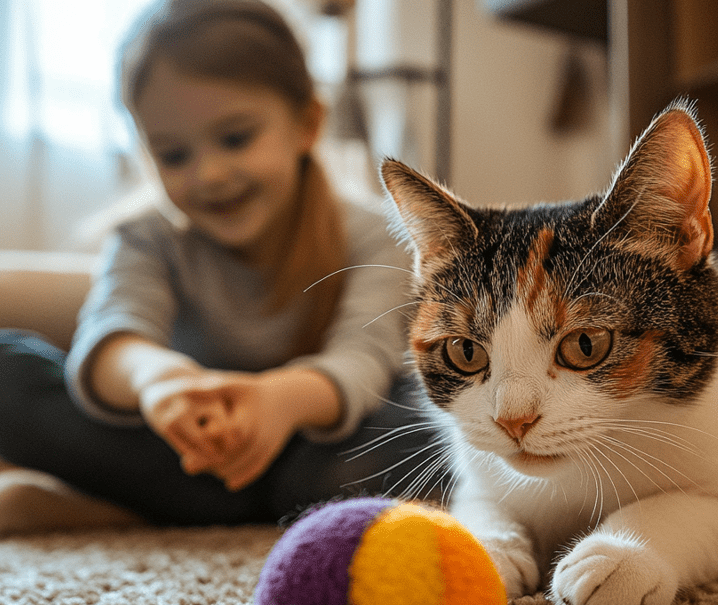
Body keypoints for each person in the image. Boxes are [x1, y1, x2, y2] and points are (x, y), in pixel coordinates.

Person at [0, 0, 434, 534]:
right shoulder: (144, 237)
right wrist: (161, 383)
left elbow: (363, 362)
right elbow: (111, 336)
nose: (208, 174)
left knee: (422, 420)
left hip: (317, 450)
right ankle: (207, 503)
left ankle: (128, 507)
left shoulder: (373, 231)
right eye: (174, 155)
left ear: (307, 124)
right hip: (185, 451)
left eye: (235, 139)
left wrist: (278, 402)